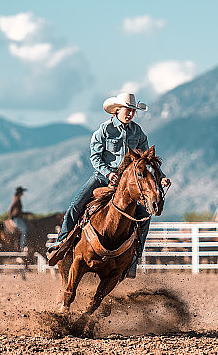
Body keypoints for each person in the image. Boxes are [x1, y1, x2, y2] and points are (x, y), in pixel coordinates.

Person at [48, 92, 170, 278]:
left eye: (133, 111)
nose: (130, 114)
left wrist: (161, 178)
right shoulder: (104, 131)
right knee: (76, 206)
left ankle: (134, 259)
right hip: (103, 178)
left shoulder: (138, 133)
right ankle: (61, 244)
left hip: (129, 184)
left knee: (145, 217)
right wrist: (109, 173)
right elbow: (95, 157)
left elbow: (148, 162)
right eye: (127, 110)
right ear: (117, 110)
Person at [8, 186, 28, 251]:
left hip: (17, 217)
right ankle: (22, 245)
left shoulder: (17, 199)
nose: (23, 193)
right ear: (20, 193)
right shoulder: (16, 199)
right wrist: (10, 218)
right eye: (22, 192)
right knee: (24, 229)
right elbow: (11, 208)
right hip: (16, 218)